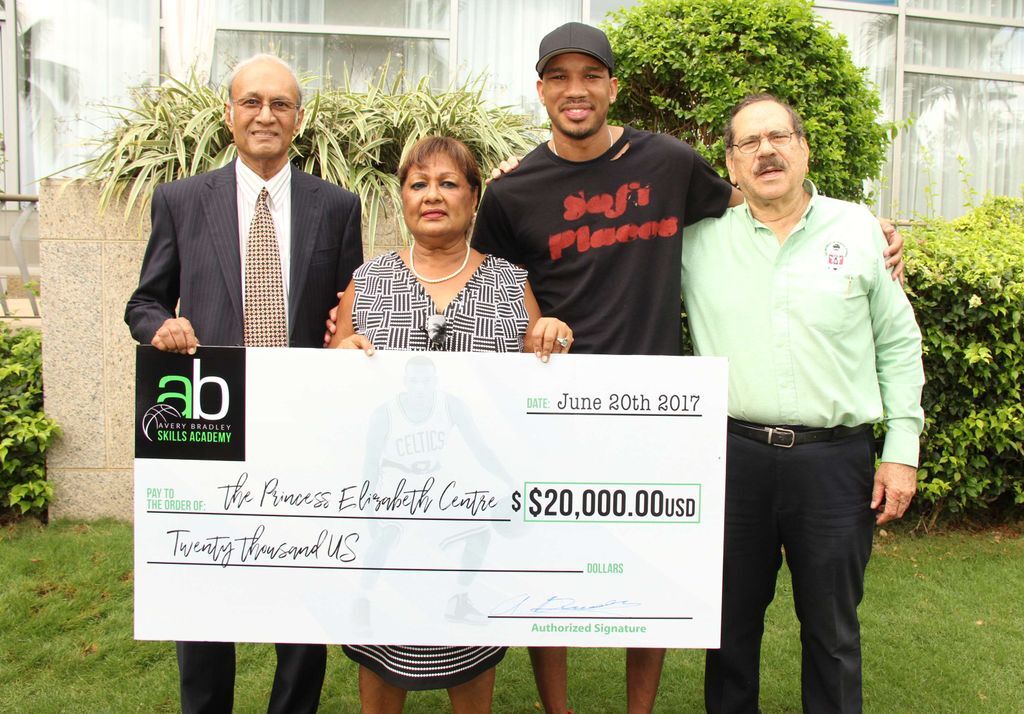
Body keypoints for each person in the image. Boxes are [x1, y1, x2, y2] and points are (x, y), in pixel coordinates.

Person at [469, 23, 907, 714]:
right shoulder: (512, 191)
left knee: (651, 577)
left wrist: (864, 229)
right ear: (542, 89)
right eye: (560, 77)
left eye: (591, 75)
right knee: (548, 573)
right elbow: (490, 277)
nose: (576, 90)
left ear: (614, 87)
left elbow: (756, 205)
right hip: (554, 414)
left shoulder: (668, 164)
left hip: (657, 418)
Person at [125, 54, 363, 713]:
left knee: (302, 596)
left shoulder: (338, 208)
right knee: (203, 596)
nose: (266, 115)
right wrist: (159, 331)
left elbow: (351, 309)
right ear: (229, 114)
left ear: (299, 119)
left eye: (280, 104)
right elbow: (143, 303)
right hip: (207, 420)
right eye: (252, 102)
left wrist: (346, 340)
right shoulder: (179, 200)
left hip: (303, 425)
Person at [682, 94, 924, 713]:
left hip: (834, 464)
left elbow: (898, 346)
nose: (766, 151)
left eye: (779, 137)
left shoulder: (862, 231)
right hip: (734, 460)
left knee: (833, 633)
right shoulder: (694, 244)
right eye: (748, 144)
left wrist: (901, 453)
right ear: (731, 168)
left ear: (804, 148)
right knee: (729, 631)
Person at [330, 135, 572, 714]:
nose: (432, 196)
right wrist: (342, 357)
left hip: (468, 505)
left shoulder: (511, 285)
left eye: (448, 183)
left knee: (470, 646)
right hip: (392, 501)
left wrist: (548, 337)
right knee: (384, 648)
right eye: (418, 184)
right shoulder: (369, 280)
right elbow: (337, 392)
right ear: (402, 199)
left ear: (474, 196)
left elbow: (532, 388)